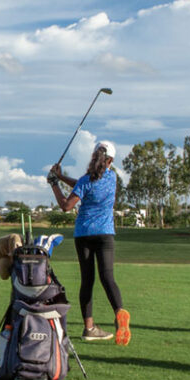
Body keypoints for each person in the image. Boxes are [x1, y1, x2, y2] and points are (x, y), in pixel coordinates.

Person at [48, 140, 130, 345]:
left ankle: (89, 328)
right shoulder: (112, 178)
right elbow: (83, 186)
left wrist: (54, 183)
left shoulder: (85, 180)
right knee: (107, 277)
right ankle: (119, 313)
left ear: (94, 156)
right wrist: (60, 176)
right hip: (105, 234)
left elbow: (67, 205)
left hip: (84, 234)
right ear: (110, 160)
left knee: (87, 280)